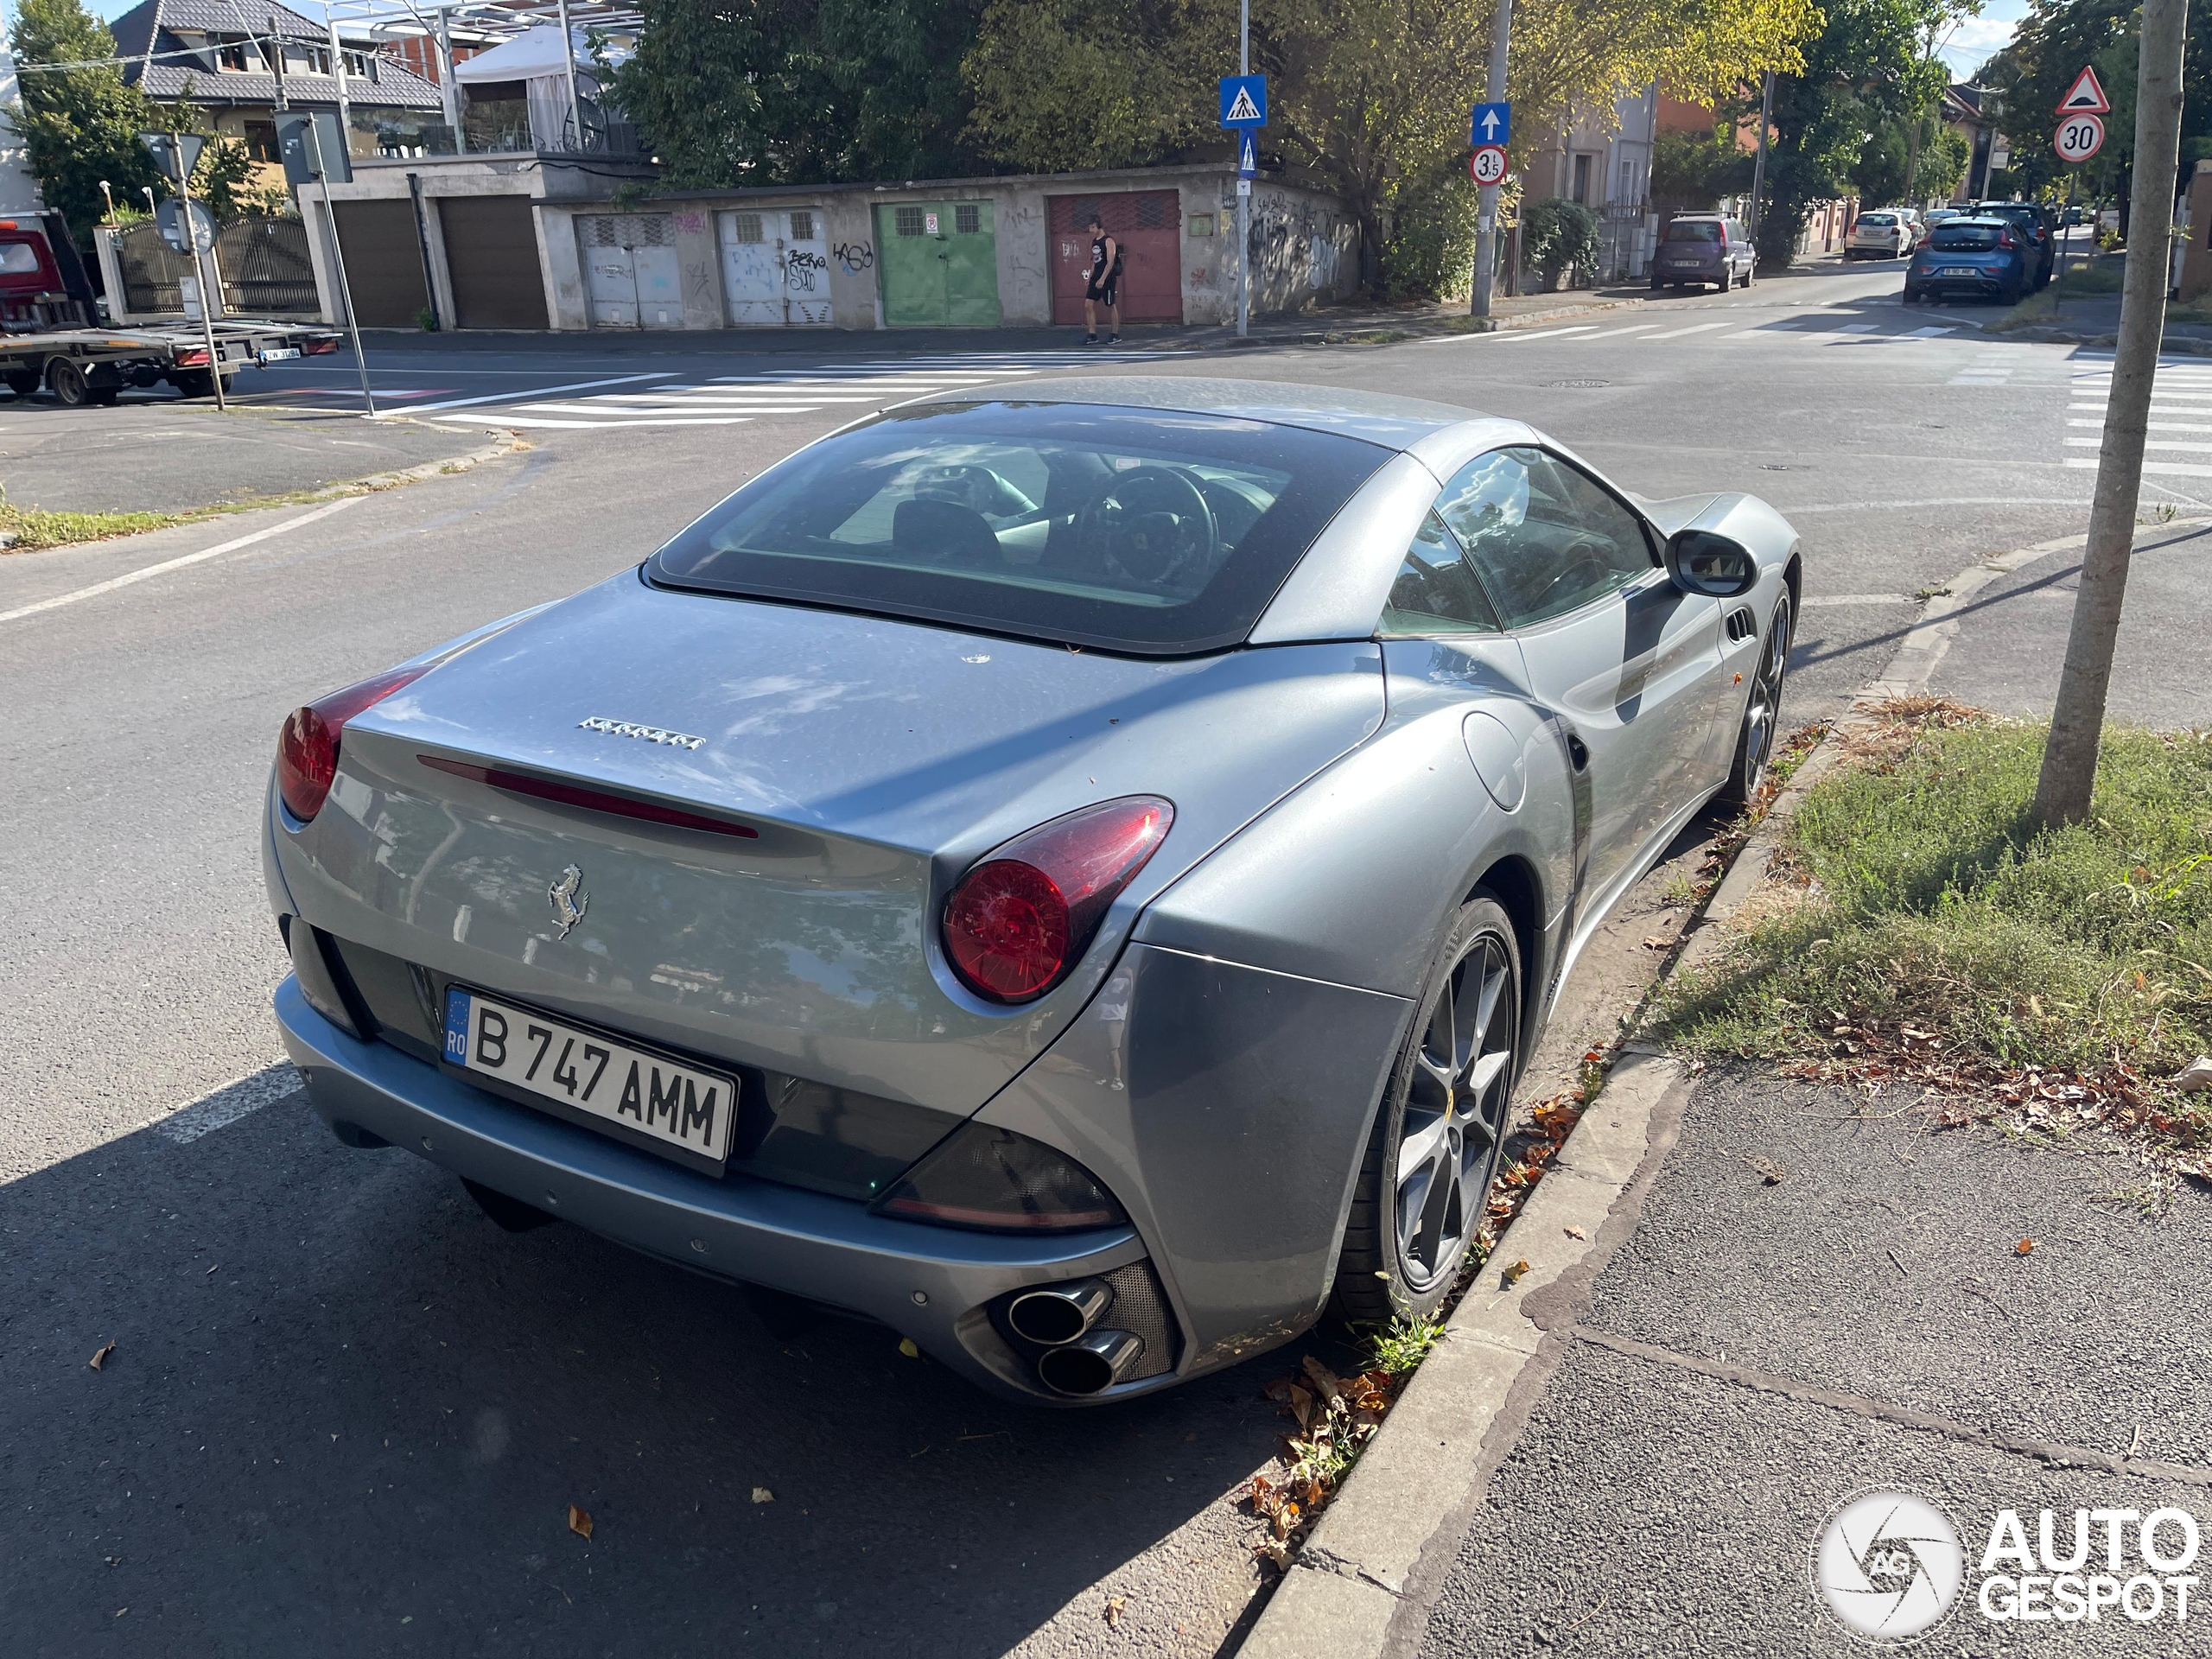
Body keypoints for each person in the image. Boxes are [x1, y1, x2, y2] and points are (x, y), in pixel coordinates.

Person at [1083, 213, 1122, 345]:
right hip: (1096, 277)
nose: (1091, 230)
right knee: (1088, 304)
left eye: (1093, 227)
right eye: (1089, 228)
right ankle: (1092, 334)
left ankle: (1114, 334)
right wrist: (1091, 275)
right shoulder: (1094, 242)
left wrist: (1103, 279)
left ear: (1098, 227)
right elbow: (1095, 260)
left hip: (1107, 278)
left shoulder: (1108, 241)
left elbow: (1110, 262)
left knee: (1110, 305)